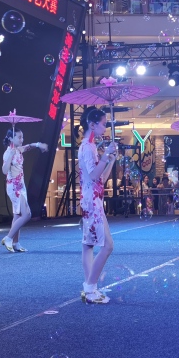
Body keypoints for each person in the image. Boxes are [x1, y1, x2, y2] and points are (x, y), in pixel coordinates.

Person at [78, 107, 118, 304]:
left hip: (92, 200)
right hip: (92, 202)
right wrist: (104, 156)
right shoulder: (87, 147)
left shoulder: (90, 146)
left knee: (88, 245)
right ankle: (90, 288)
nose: (105, 127)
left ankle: (90, 288)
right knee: (108, 246)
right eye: (103, 124)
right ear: (92, 125)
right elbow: (94, 176)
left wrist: (110, 161)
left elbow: (100, 178)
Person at [0, 129, 48, 253]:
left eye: (22, 137)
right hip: (14, 187)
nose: (22, 139)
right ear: (11, 139)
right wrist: (10, 156)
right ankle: (8, 238)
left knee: (17, 215)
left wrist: (39, 145)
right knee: (27, 214)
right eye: (19, 137)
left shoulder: (18, 150)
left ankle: (15, 243)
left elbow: (28, 146)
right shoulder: (8, 152)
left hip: (21, 186)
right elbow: (4, 171)